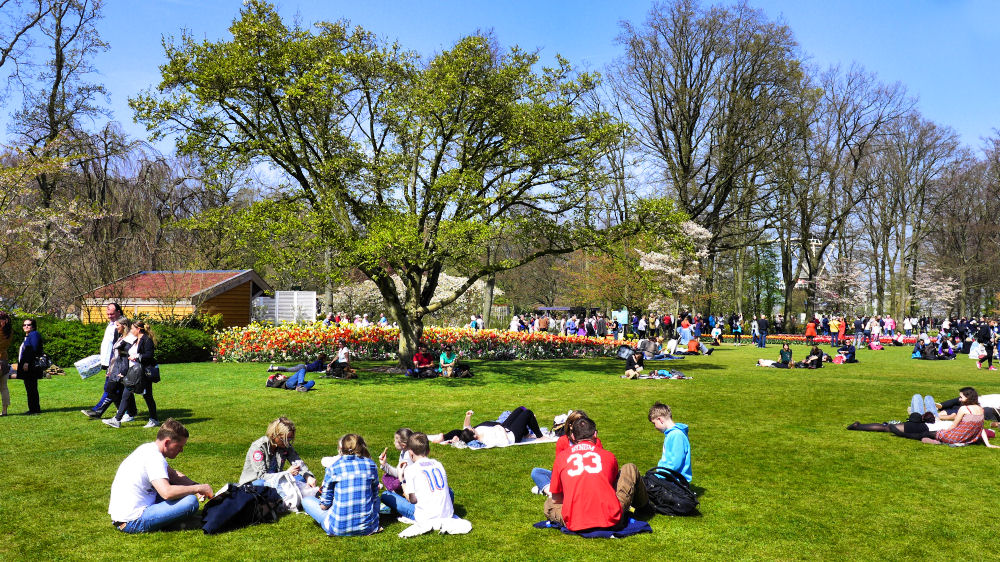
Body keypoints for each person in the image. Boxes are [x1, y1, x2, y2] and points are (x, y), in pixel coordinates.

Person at [107, 419, 214, 533]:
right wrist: (197, 489)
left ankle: (171, 521)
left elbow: (173, 474)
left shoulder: (148, 449)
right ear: (167, 442)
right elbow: (167, 493)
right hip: (132, 521)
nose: (181, 450)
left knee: (180, 490)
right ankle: (172, 523)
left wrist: (196, 485)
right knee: (190, 502)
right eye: (179, 446)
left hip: (124, 515)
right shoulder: (155, 459)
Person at [543, 417, 647, 531]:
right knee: (630, 468)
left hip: (576, 521)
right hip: (611, 518)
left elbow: (556, 500)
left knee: (549, 504)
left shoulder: (561, 458)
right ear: (595, 434)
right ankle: (644, 507)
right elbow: (612, 488)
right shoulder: (608, 456)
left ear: (572, 436)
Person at [301, 433, 381, 536]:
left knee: (307, 501)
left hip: (337, 528)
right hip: (368, 527)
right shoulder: (371, 465)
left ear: (341, 448)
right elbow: (375, 496)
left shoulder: (334, 467)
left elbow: (324, 505)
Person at [379, 432, 456, 522]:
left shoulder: (412, 469)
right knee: (449, 491)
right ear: (428, 451)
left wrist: (401, 479)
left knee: (385, 495)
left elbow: (411, 499)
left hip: (425, 515)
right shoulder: (438, 464)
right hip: (446, 512)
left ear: (411, 453)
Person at [888, 387, 997, 446]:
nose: (959, 399)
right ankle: (921, 414)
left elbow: (953, 425)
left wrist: (941, 426)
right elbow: (981, 429)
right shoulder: (980, 410)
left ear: (968, 398)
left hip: (935, 423)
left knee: (917, 398)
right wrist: (988, 444)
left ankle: (904, 430)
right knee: (928, 398)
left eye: (961, 397)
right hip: (937, 419)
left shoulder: (964, 409)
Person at [529, 410, 601, 496]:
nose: (581, 426)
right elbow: (558, 467)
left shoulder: (595, 441)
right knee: (536, 472)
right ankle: (551, 492)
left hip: (586, 477)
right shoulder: (563, 441)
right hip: (566, 476)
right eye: (578, 423)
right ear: (570, 426)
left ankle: (547, 490)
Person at [83, 303, 134, 419]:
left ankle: (98, 411)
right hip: (110, 363)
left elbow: (119, 350)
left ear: (118, 312)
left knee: (111, 388)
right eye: (108, 314)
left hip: (117, 364)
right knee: (120, 389)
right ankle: (127, 412)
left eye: (111, 313)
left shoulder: (122, 330)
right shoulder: (111, 325)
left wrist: (114, 367)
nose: (109, 316)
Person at [103, 321, 158, 428]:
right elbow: (128, 357)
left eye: (133, 329)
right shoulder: (135, 340)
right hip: (134, 372)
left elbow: (149, 355)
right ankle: (117, 419)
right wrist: (123, 372)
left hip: (143, 373)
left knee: (147, 396)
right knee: (126, 394)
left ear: (138, 329)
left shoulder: (147, 340)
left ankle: (154, 419)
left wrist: (137, 357)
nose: (131, 330)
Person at [239, 417, 317, 486]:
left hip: (275, 481)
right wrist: (287, 473)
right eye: (285, 439)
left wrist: (308, 476)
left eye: (290, 439)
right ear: (273, 435)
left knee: (302, 479)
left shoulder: (284, 445)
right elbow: (261, 476)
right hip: (254, 484)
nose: (287, 442)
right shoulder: (258, 448)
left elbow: (297, 461)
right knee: (260, 483)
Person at [432, 406, 544, 447]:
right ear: (474, 436)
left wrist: (467, 416)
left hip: (504, 426)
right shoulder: (485, 439)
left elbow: (466, 427)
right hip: (512, 435)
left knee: (521, 408)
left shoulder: (474, 431)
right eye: (472, 429)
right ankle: (540, 436)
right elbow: (504, 443)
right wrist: (500, 429)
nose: (472, 427)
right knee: (527, 413)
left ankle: (527, 432)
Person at [649, 402, 691, 482]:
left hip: (675, 482)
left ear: (660, 419)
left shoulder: (676, 435)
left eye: (654, 423)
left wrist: (658, 475)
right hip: (668, 478)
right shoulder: (672, 434)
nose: (655, 427)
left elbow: (675, 464)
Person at [14, 318, 43, 415]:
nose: (26, 326)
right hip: (27, 365)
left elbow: (33, 349)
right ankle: (33, 408)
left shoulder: (34, 334)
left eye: (28, 325)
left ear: (33, 326)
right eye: (24, 325)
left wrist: (26, 362)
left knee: (31, 387)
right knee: (30, 388)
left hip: (30, 366)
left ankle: (34, 409)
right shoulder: (28, 336)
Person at [378, 427, 413, 494]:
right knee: (386, 476)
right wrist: (384, 464)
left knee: (396, 483)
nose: (394, 442)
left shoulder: (407, 457)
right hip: (405, 477)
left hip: (409, 482)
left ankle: (397, 492)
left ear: (403, 445)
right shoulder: (404, 451)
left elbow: (398, 474)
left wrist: (385, 464)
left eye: (395, 441)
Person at [0, 311, 11, 416]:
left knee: (4, 387)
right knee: (4, 387)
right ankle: (4, 410)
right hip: (4, 360)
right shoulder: (9, 332)